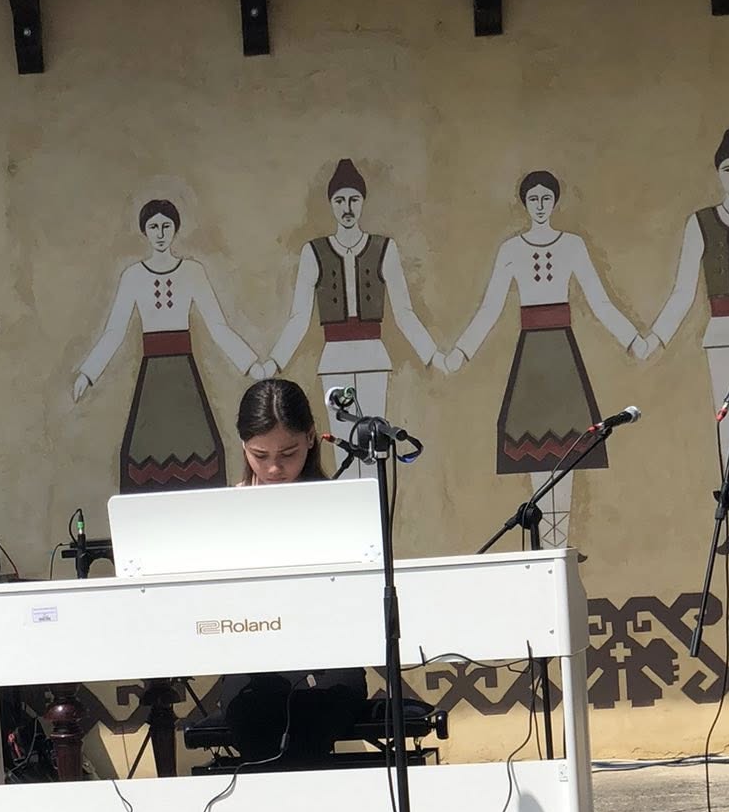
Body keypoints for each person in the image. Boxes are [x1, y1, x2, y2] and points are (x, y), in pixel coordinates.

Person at [440, 170, 639, 547]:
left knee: (568, 448)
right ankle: (547, 544)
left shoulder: (573, 245)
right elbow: (490, 307)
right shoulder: (511, 250)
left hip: (563, 354)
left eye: (546, 198)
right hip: (531, 357)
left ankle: (560, 542)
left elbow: (598, 299)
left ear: (555, 201)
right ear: (524, 203)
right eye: (534, 199)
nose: (541, 205)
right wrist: (461, 352)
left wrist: (632, 339)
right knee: (536, 454)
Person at [256, 161, 442, 477]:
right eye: (340, 200)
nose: (347, 207)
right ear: (331, 204)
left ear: (363, 202)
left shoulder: (384, 248)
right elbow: (299, 317)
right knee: (345, 445)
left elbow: (404, 312)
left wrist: (434, 355)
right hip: (335, 358)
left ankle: (376, 506)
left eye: (353, 199)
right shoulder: (314, 252)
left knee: (374, 447)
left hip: (374, 355)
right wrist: (273, 362)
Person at [223, 377, 368, 765]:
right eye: (260, 455)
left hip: (330, 659)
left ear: (311, 438)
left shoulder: (339, 508)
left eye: (288, 453)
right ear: (243, 446)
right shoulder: (224, 513)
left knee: (314, 710)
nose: (274, 468)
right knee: (253, 713)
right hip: (253, 659)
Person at [74, 198, 256, 491]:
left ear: (175, 229)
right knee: (145, 455)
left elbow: (218, 326)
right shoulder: (133, 276)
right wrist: (87, 373)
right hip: (153, 381)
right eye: (153, 227)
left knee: (199, 451)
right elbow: (114, 331)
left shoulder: (192, 271)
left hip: (184, 377)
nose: (160, 233)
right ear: (144, 231)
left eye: (166, 226)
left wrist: (251, 365)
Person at [644, 127, 729, 530]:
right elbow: (682, 292)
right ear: (718, 173)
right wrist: (655, 338)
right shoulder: (701, 222)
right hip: (721, 333)